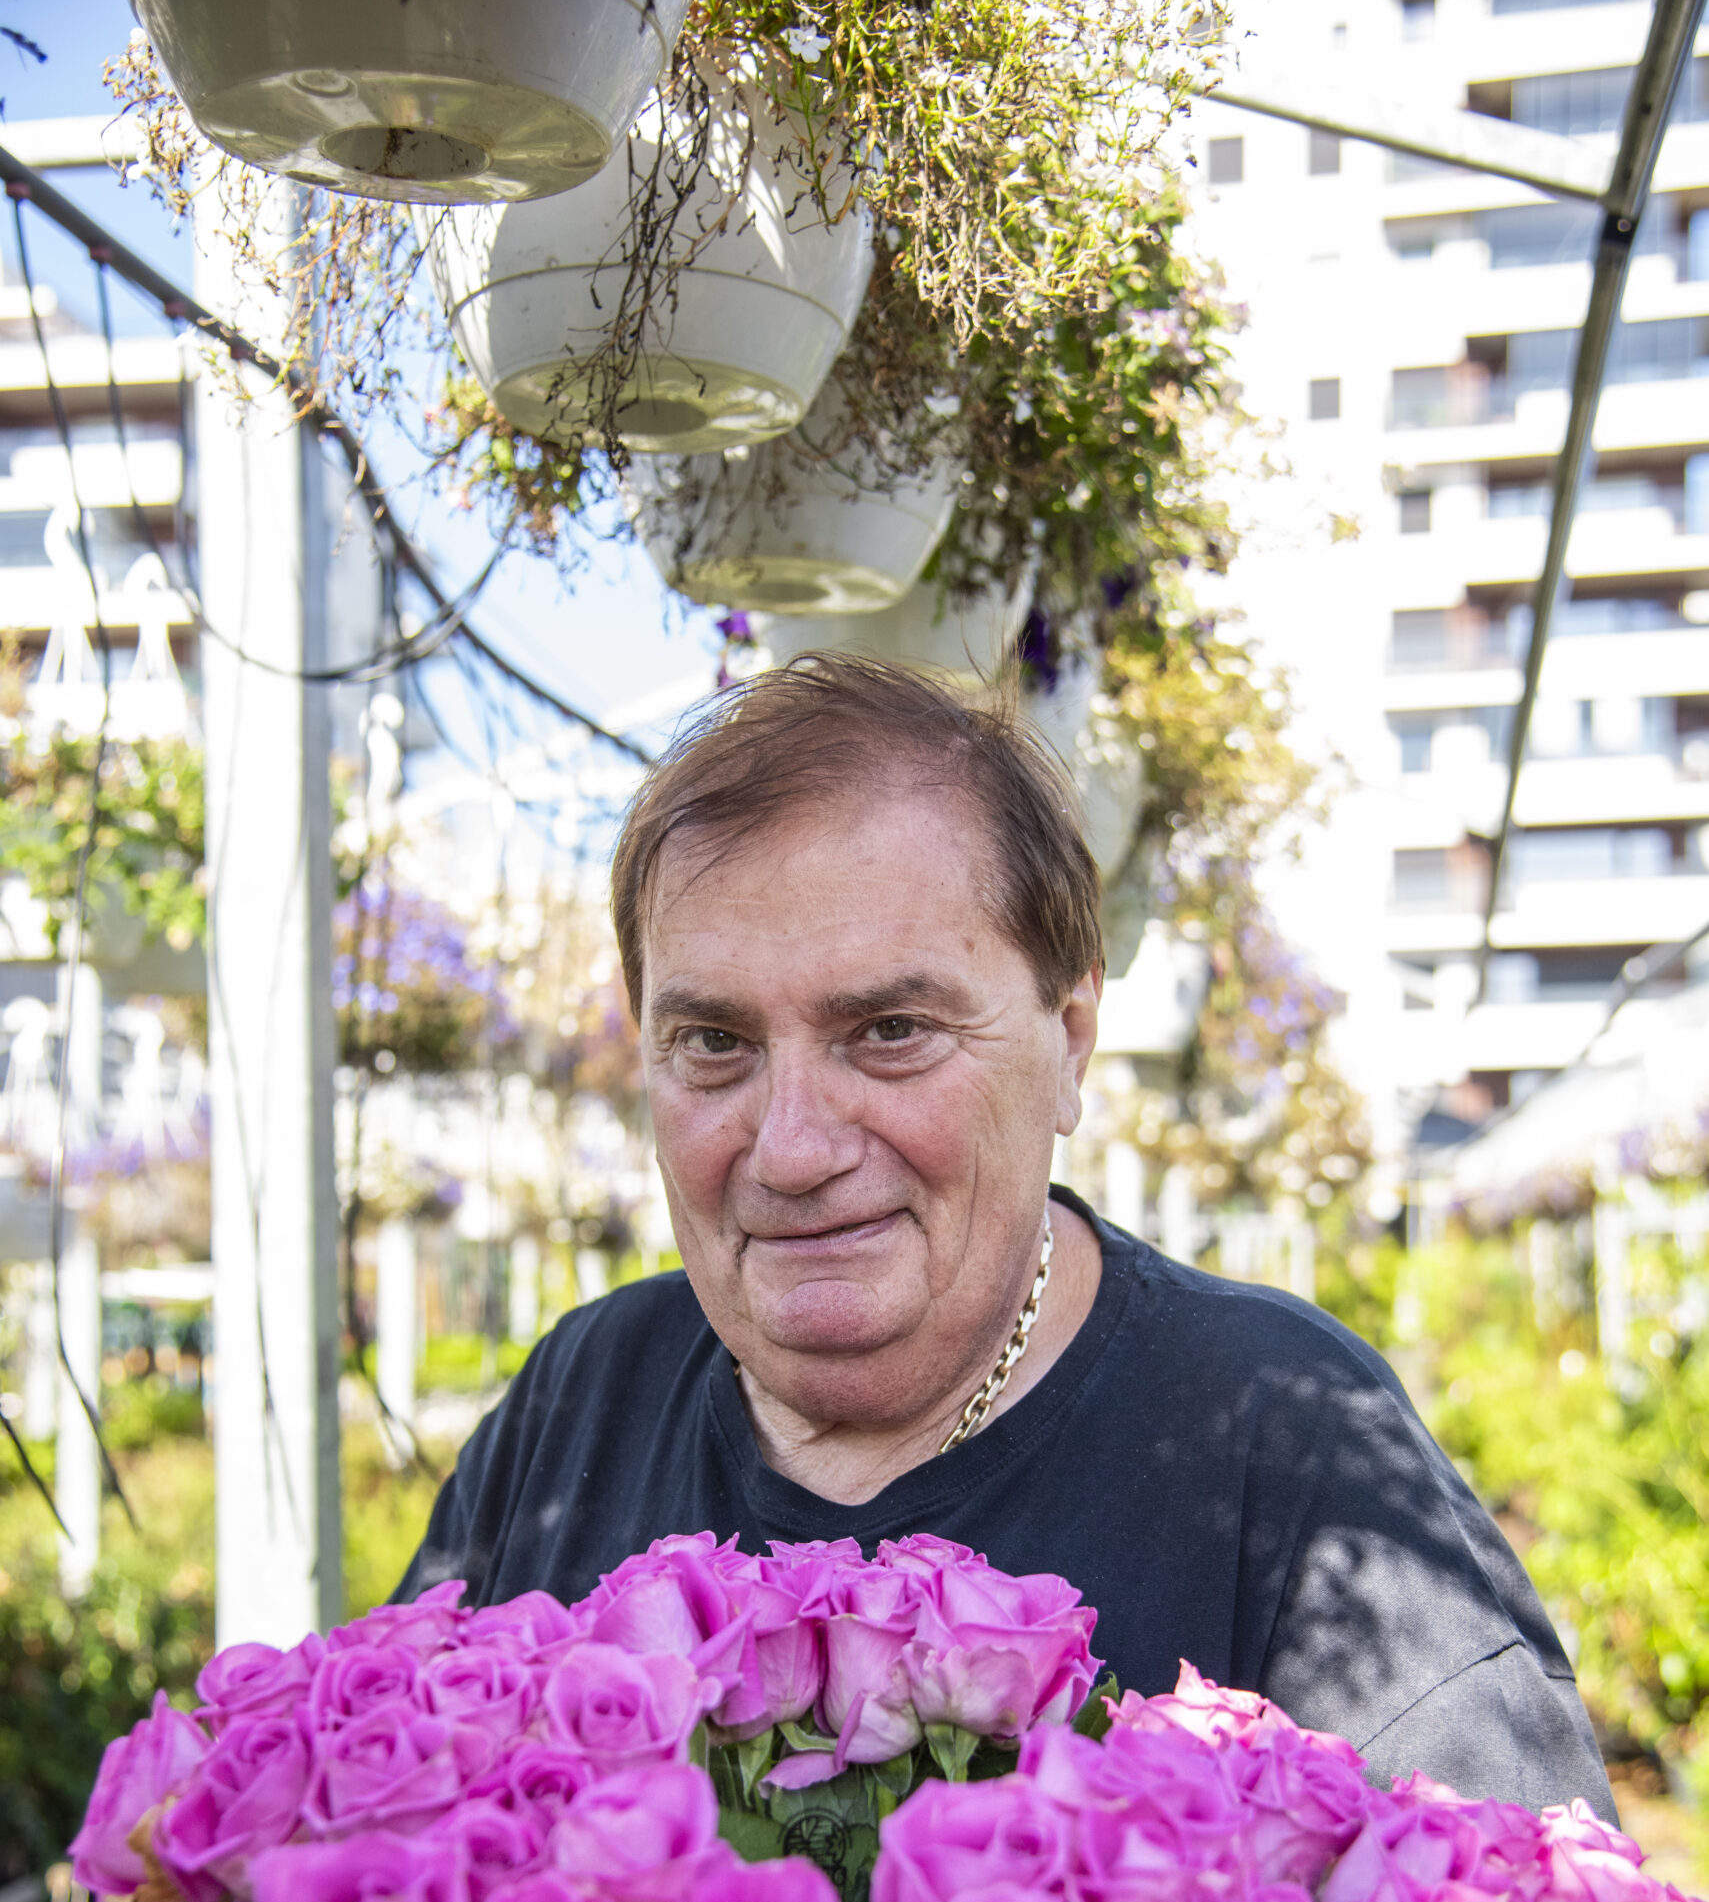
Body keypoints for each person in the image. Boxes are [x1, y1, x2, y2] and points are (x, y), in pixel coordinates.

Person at [400, 655, 1615, 1819]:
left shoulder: (1285, 1447)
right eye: (713, 1043)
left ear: (1070, 1037)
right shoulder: (583, 1392)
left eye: (887, 1028)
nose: (789, 1148)